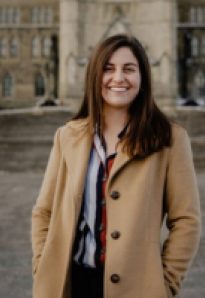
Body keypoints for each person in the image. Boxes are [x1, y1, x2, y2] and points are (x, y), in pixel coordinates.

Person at [31, 34, 200, 298]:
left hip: (138, 288)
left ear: (142, 78)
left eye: (129, 69)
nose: (118, 78)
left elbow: (186, 221)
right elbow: (44, 211)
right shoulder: (68, 136)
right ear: (94, 76)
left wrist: (166, 284)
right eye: (108, 69)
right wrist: (43, 266)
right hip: (71, 284)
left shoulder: (170, 139)